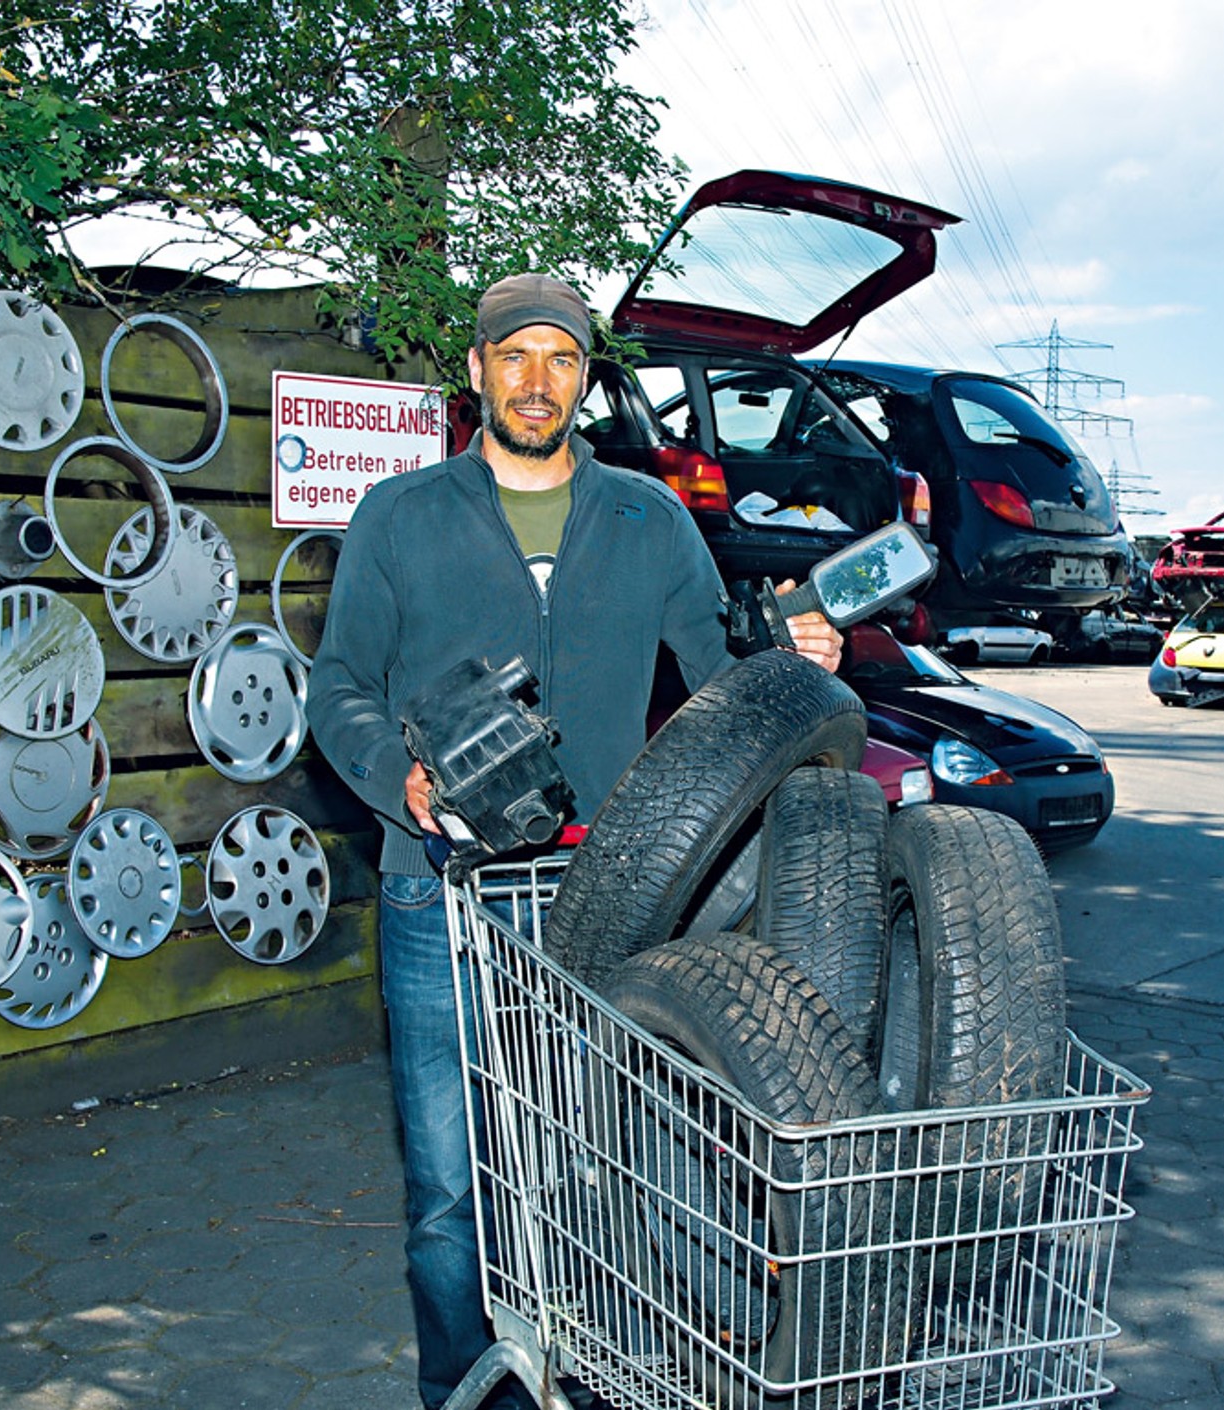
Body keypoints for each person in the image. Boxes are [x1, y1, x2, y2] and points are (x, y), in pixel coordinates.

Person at [307, 272, 841, 1410]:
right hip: (435, 894)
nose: (536, 382)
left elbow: (717, 687)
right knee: (450, 1191)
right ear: (477, 372)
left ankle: (599, 1378)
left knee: (596, 1170)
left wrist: (796, 661)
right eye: (514, 357)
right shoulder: (399, 515)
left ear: (586, 378)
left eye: (560, 359)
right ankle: (469, 1392)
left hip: (611, 892)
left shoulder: (648, 517)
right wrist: (395, 777)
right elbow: (338, 685)